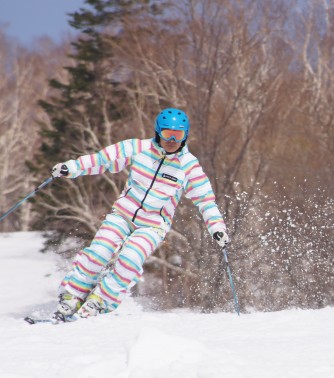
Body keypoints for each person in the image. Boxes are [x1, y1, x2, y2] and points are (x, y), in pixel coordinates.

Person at [50, 108, 230, 321]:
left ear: (185, 135)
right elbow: (101, 160)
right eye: (167, 133)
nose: (172, 140)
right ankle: (73, 294)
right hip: (122, 215)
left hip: (153, 225)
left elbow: (206, 200)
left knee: (130, 260)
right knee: (99, 251)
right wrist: (70, 168)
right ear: (157, 132)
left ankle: (99, 301)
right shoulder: (137, 148)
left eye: (178, 135)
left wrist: (217, 227)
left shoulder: (188, 166)